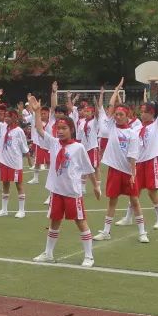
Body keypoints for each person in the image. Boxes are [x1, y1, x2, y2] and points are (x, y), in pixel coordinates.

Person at [27, 94, 101, 266]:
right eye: (58, 128)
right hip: (56, 191)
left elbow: (89, 169)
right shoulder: (54, 143)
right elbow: (39, 130)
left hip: (72, 192)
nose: (60, 131)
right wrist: (37, 112)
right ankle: (48, 253)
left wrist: (96, 186)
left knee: (80, 222)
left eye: (64, 128)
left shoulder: (78, 147)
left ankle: (89, 255)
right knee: (54, 222)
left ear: (72, 130)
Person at [94, 94, 146, 243]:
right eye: (116, 114)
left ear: (127, 116)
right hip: (114, 171)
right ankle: (106, 231)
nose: (117, 117)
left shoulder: (132, 134)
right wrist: (115, 91)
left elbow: (133, 156)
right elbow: (110, 107)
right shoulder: (111, 127)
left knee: (135, 201)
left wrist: (133, 173)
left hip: (128, 171)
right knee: (112, 201)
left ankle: (142, 232)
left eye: (121, 114)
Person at [133, 82, 158, 230]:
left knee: (151, 191)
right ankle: (129, 216)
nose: (142, 114)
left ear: (152, 113)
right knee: (134, 190)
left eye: (145, 112)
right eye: (141, 112)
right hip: (139, 162)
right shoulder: (138, 127)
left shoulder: (157, 124)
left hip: (151, 161)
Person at [0, 89, 29, 218]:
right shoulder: (3, 127)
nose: (5, 118)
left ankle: (21, 210)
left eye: (8, 116)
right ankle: (4, 209)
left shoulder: (19, 131)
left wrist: (29, 159)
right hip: (4, 162)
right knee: (5, 184)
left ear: (14, 118)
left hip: (15, 162)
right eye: (5, 116)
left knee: (19, 185)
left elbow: (24, 147)